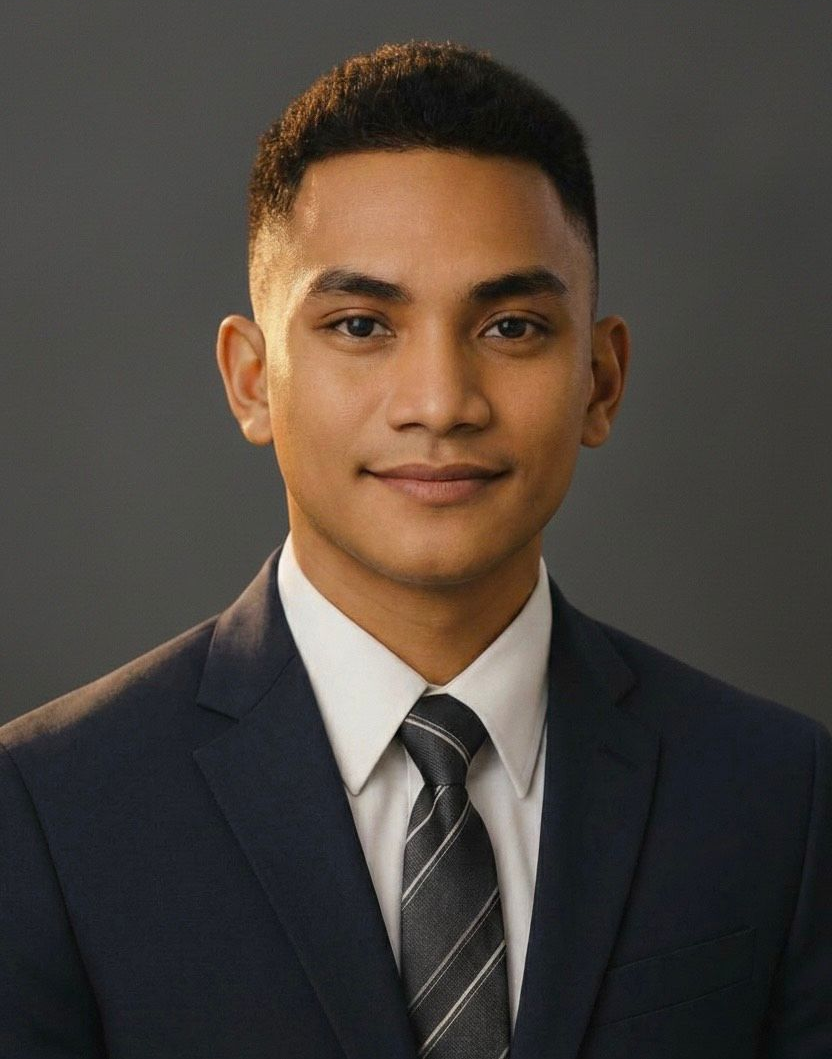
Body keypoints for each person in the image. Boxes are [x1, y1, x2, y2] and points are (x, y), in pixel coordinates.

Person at [1, 40, 829, 1059]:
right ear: (253, 379)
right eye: (360, 324)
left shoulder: (780, 799)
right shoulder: (45, 809)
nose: (440, 403)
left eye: (512, 326)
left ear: (601, 382)